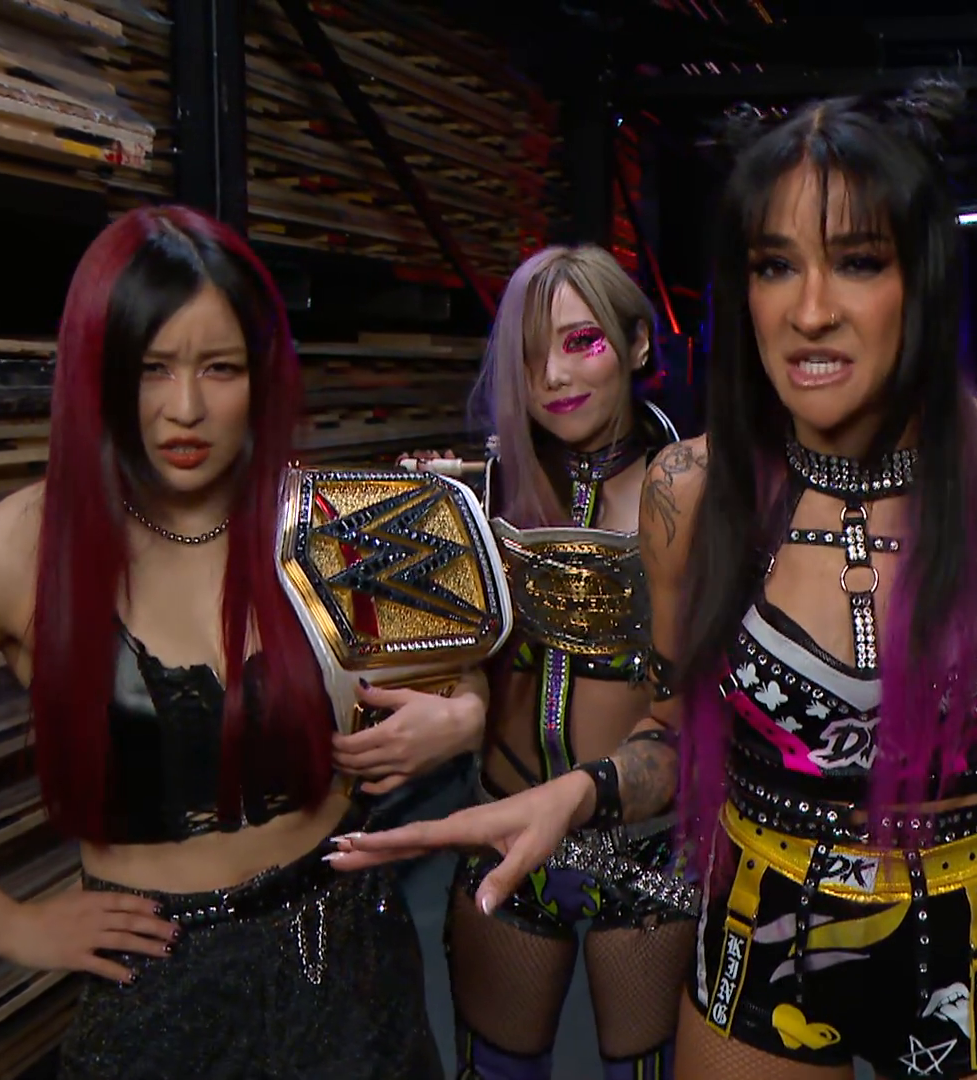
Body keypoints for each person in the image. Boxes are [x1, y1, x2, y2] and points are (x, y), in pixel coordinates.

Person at [330, 82, 977, 1080]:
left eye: (858, 261)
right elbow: (676, 724)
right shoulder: (691, 490)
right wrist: (583, 792)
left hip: (967, 941)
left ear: (924, 277)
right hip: (757, 934)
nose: (810, 311)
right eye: (776, 265)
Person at [0, 205, 478, 1079]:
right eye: (151, 369)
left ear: (261, 374)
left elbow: (459, 669)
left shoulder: (323, 520)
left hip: (351, 950)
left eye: (219, 368)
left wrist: (462, 719)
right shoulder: (21, 551)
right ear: (99, 373)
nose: (185, 408)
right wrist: (3, 922)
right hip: (163, 986)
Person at [406, 244, 697, 1080]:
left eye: (582, 342)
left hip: (644, 846)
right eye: (530, 355)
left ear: (637, 344)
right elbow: (442, 660)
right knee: (494, 1070)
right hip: (501, 822)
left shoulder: (696, 490)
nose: (555, 376)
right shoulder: (484, 488)